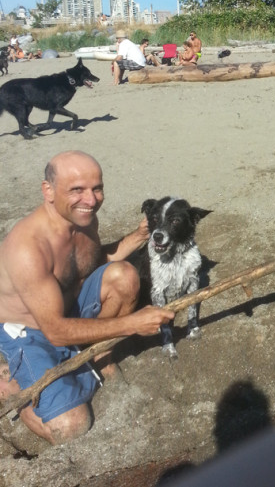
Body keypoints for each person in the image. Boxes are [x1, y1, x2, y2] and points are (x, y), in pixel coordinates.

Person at [0, 151, 174, 443]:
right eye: (77, 190)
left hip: (65, 311)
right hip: (29, 331)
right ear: (48, 191)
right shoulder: (28, 247)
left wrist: (140, 235)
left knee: (125, 276)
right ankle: (13, 385)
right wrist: (132, 323)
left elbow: (89, 262)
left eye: (97, 188)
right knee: (71, 426)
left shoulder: (83, 218)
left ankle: (98, 355)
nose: (91, 200)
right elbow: (54, 330)